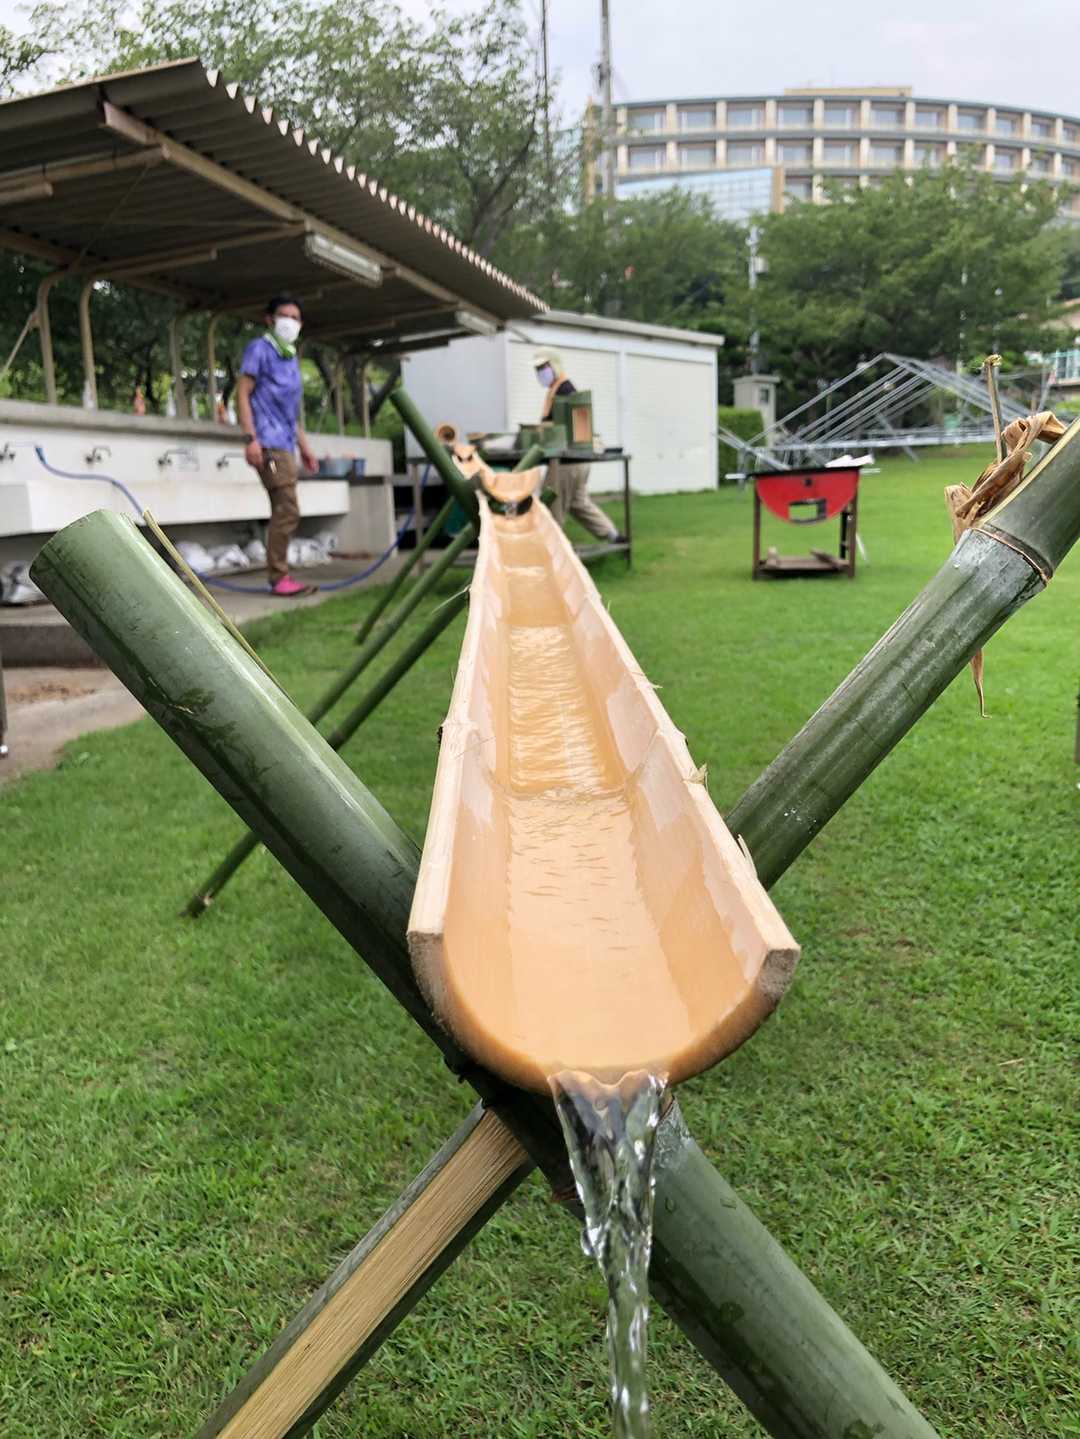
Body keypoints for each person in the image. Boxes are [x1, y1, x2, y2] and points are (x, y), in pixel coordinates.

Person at [236, 294, 319, 596]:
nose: (290, 323)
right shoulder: (260, 349)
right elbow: (242, 393)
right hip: (268, 443)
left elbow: (289, 413)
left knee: (284, 508)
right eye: (285, 316)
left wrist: (305, 447)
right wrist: (250, 438)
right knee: (287, 508)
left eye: (296, 318)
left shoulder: (290, 357)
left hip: (286, 444)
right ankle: (279, 576)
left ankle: (280, 575)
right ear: (269, 319)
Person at [533, 349, 626, 545]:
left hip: (568, 462)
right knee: (579, 503)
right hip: (579, 462)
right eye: (537, 369)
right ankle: (613, 536)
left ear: (554, 365)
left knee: (553, 506)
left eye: (543, 367)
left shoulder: (565, 391)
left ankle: (554, 550)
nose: (540, 373)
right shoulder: (558, 390)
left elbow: (561, 428)